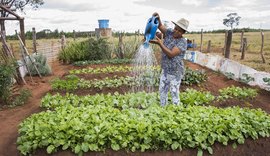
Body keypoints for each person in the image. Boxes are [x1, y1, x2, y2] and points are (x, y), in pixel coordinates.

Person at [149, 12, 189, 106]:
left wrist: (160, 43)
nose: (176, 31)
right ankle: (164, 108)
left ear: (183, 32)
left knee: (174, 92)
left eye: (180, 31)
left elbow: (171, 54)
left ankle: (176, 111)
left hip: (175, 72)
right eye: (176, 28)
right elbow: (160, 26)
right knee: (162, 90)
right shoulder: (170, 32)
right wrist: (158, 18)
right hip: (165, 69)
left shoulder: (182, 42)